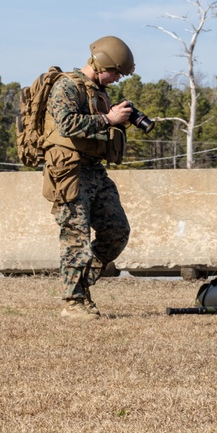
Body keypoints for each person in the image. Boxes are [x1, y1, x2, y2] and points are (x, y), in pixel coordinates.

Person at [44, 36, 137, 320]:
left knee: (117, 231)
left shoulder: (98, 90)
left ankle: (81, 287)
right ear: (100, 64)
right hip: (69, 169)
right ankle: (73, 303)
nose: (118, 79)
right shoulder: (67, 85)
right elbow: (67, 123)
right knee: (76, 239)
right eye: (116, 73)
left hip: (94, 169)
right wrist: (108, 119)